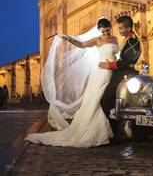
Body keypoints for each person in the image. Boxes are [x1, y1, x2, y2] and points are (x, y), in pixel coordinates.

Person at [25, 18, 119, 148]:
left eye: (108, 31)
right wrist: (69, 38)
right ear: (99, 31)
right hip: (100, 72)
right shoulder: (97, 40)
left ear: (111, 27)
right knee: (94, 100)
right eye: (103, 32)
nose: (106, 34)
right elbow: (81, 44)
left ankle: (100, 129)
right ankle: (91, 131)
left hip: (111, 70)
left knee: (101, 100)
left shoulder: (115, 39)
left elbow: (117, 54)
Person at [100, 15, 141, 123]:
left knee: (106, 100)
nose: (118, 30)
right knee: (112, 101)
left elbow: (125, 62)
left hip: (125, 73)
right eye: (118, 28)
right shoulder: (127, 39)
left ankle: (112, 129)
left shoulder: (133, 41)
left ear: (128, 28)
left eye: (121, 28)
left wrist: (108, 65)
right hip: (122, 72)